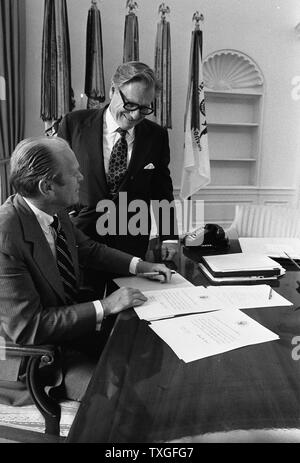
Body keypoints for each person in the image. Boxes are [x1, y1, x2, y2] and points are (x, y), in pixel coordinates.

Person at [0, 136, 171, 405]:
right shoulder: (5, 235)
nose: (82, 177)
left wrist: (141, 265)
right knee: (123, 398)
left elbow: (89, 249)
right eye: (73, 173)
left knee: (145, 354)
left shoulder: (53, 210)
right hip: (38, 358)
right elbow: (28, 328)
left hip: (70, 334)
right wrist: (105, 306)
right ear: (47, 186)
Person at [58, 61, 178, 263]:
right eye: (130, 104)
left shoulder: (156, 136)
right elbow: (57, 178)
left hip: (131, 244)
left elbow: (161, 189)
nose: (134, 115)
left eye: (144, 108)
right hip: (80, 238)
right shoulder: (74, 124)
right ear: (113, 90)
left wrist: (169, 237)